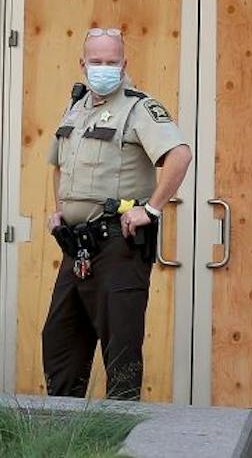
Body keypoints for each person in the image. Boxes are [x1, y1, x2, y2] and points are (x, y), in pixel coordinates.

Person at [41, 27, 192, 401]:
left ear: (124, 64)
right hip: (77, 247)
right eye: (96, 62)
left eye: (112, 62)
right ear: (83, 64)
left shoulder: (139, 108)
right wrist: (60, 210)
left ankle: (119, 441)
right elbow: (58, 164)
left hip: (117, 247)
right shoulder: (76, 109)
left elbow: (180, 155)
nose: (104, 68)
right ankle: (65, 438)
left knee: (120, 351)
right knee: (60, 342)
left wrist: (151, 209)